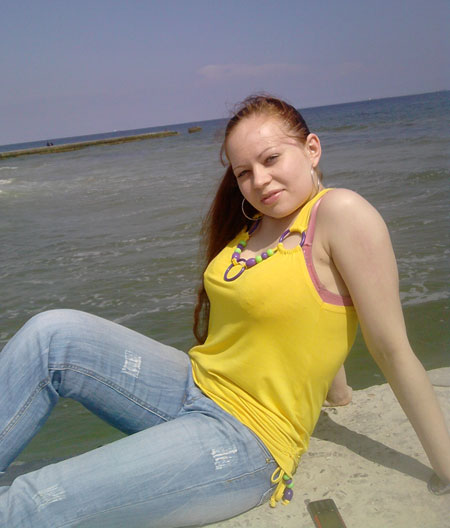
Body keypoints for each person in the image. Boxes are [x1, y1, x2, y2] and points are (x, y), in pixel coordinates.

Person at [0, 95, 449, 526]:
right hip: (190, 384)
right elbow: (303, 314)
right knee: (51, 334)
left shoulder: (341, 212)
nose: (260, 181)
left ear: (312, 149)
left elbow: (391, 349)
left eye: (271, 159)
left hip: (246, 435)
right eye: (244, 172)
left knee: (37, 499)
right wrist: (337, 392)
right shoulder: (257, 224)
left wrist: (446, 466)